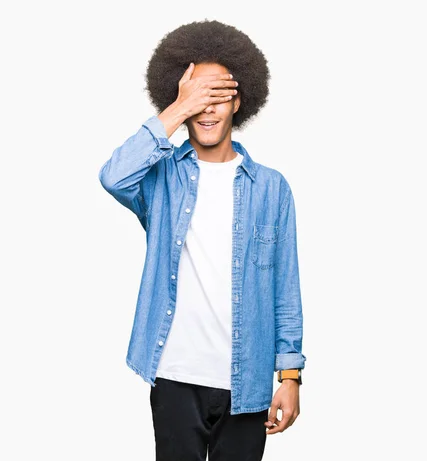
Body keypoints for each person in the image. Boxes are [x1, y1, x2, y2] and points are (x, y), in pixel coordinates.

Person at [98, 19, 306, 461]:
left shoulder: (272, 189)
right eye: (198, 98)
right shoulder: (162, 180)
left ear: (239, 101)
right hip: (174, 376)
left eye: (218, 97)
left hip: (246, 382)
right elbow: (113, 176)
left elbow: (285, 291)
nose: (208, 110)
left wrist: (290, 376)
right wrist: (177, 107)